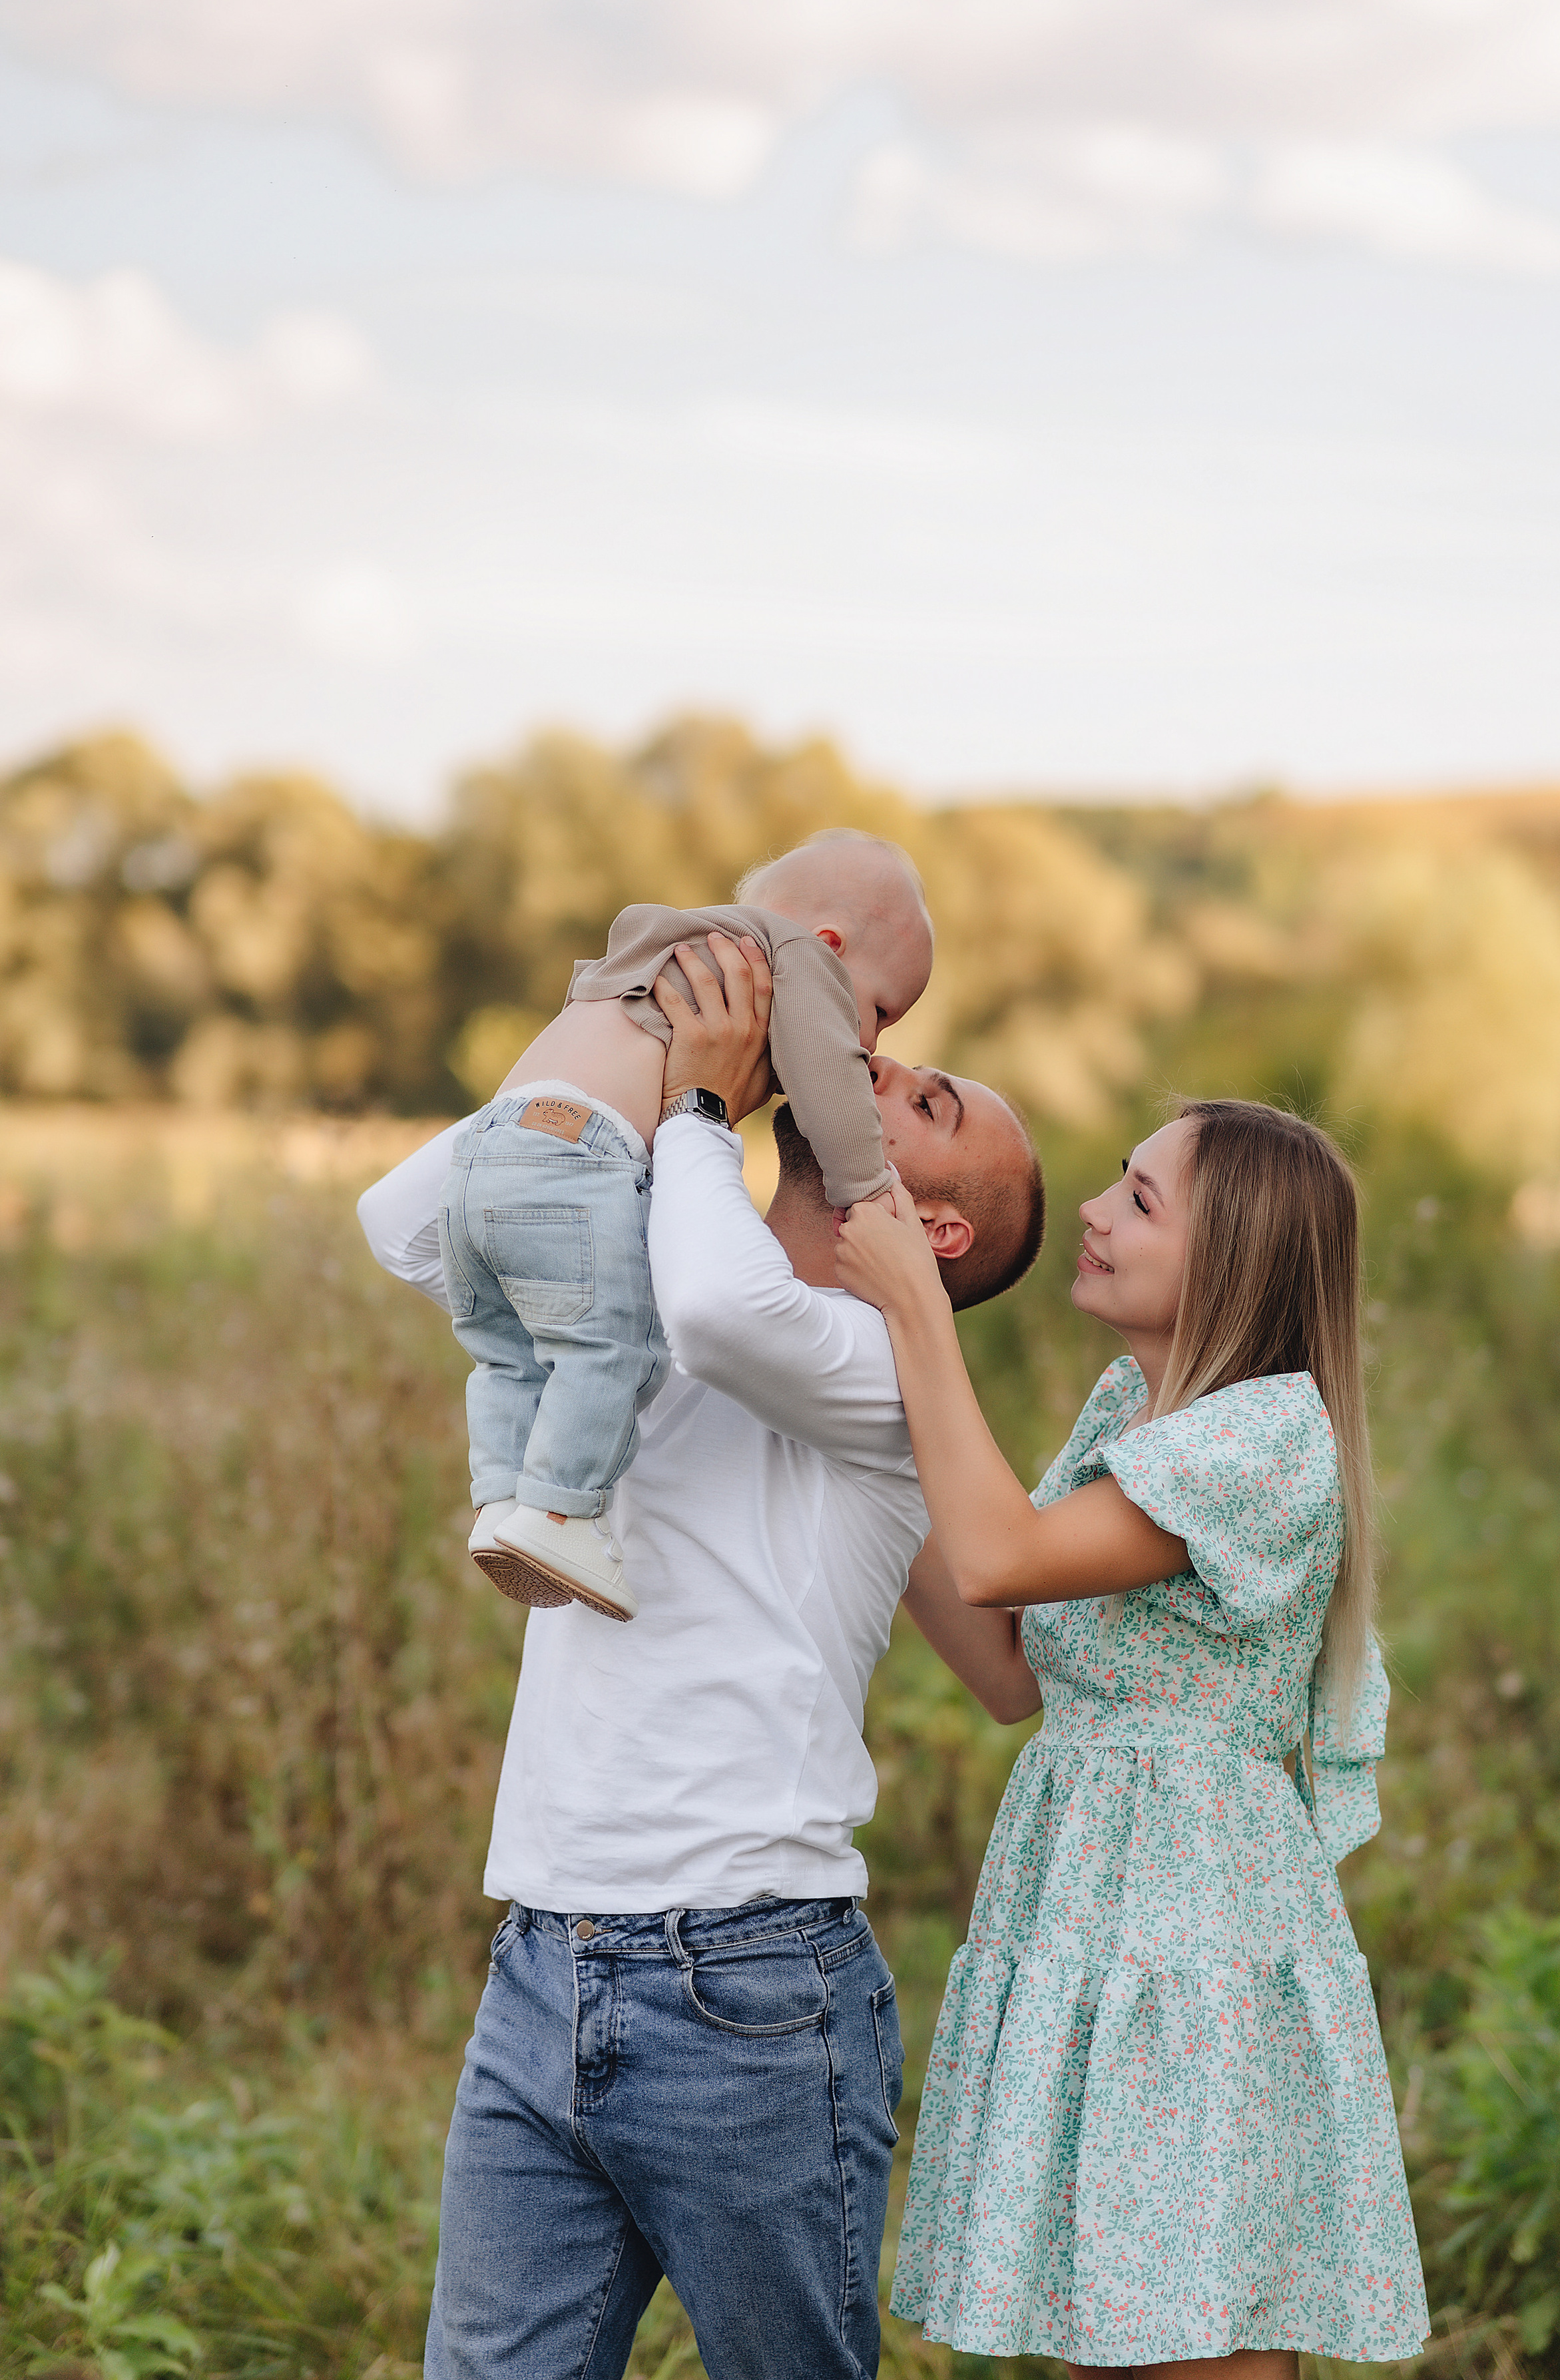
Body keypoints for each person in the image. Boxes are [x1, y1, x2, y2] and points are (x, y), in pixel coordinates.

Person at [356, 938, 1045, 2380]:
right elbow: (416, 1218)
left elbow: (738, 1317)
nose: (892, 1063)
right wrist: (645, 988)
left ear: (933, 1231)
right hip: (544, 1956)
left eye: (932, 1103)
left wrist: (696, 1105)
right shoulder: (651, 1278)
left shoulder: (878, 1371)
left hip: (749, 1991)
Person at [834, 1099, 1430, 2377]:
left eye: (1142, 1200)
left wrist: (916, 1315)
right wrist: (866, 1433)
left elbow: (1000, 1554)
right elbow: (1008, 1666)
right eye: (1119, 1180)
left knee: (1186, 2337)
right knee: (1114, 2321)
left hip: (1186, 1933)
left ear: (1237, 1264)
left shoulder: (1268, 1437)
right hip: (1093, 1911)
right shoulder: (1134, 1413)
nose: (1095, 1212)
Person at [439, 830, 933, 1620]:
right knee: (610, 1348)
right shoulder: (793, 957)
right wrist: (868, 1188)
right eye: (878, 1009)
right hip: (578, 1159)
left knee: (509, 1354)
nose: (871, 1043)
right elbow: (832, 1092)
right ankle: (561, 1514)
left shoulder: (654, 950)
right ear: (829, 946)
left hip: (477, 1157)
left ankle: (502, 1502)